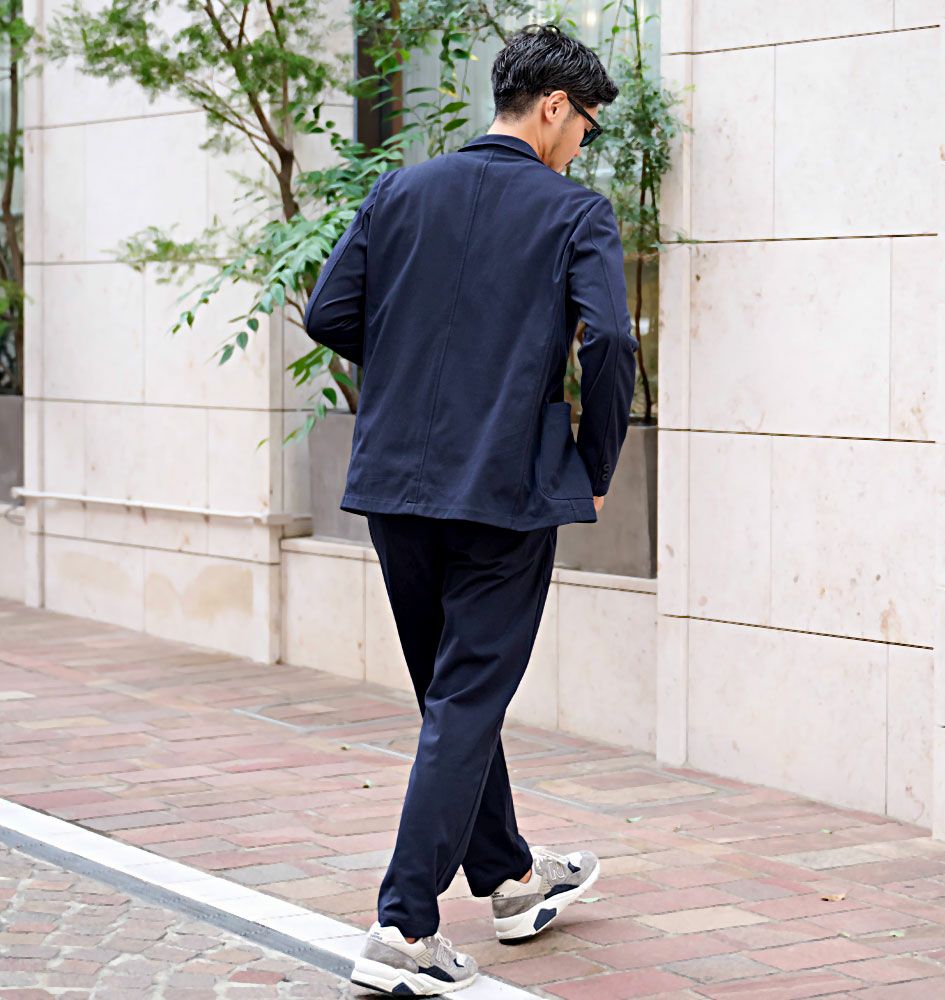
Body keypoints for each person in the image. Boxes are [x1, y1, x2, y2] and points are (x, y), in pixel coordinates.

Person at [303, 20, 639, 997]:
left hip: (396, 487)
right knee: (464, 699)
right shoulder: (573, 213)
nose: (581, 146)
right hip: (502, 489)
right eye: (583, 127)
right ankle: (404, 927)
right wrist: (595, 459)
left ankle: (509, 878)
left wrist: (419, 372)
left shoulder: (401, 191)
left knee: (453, 698)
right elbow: (611, 343)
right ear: (552, 107)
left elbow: (329, 313)